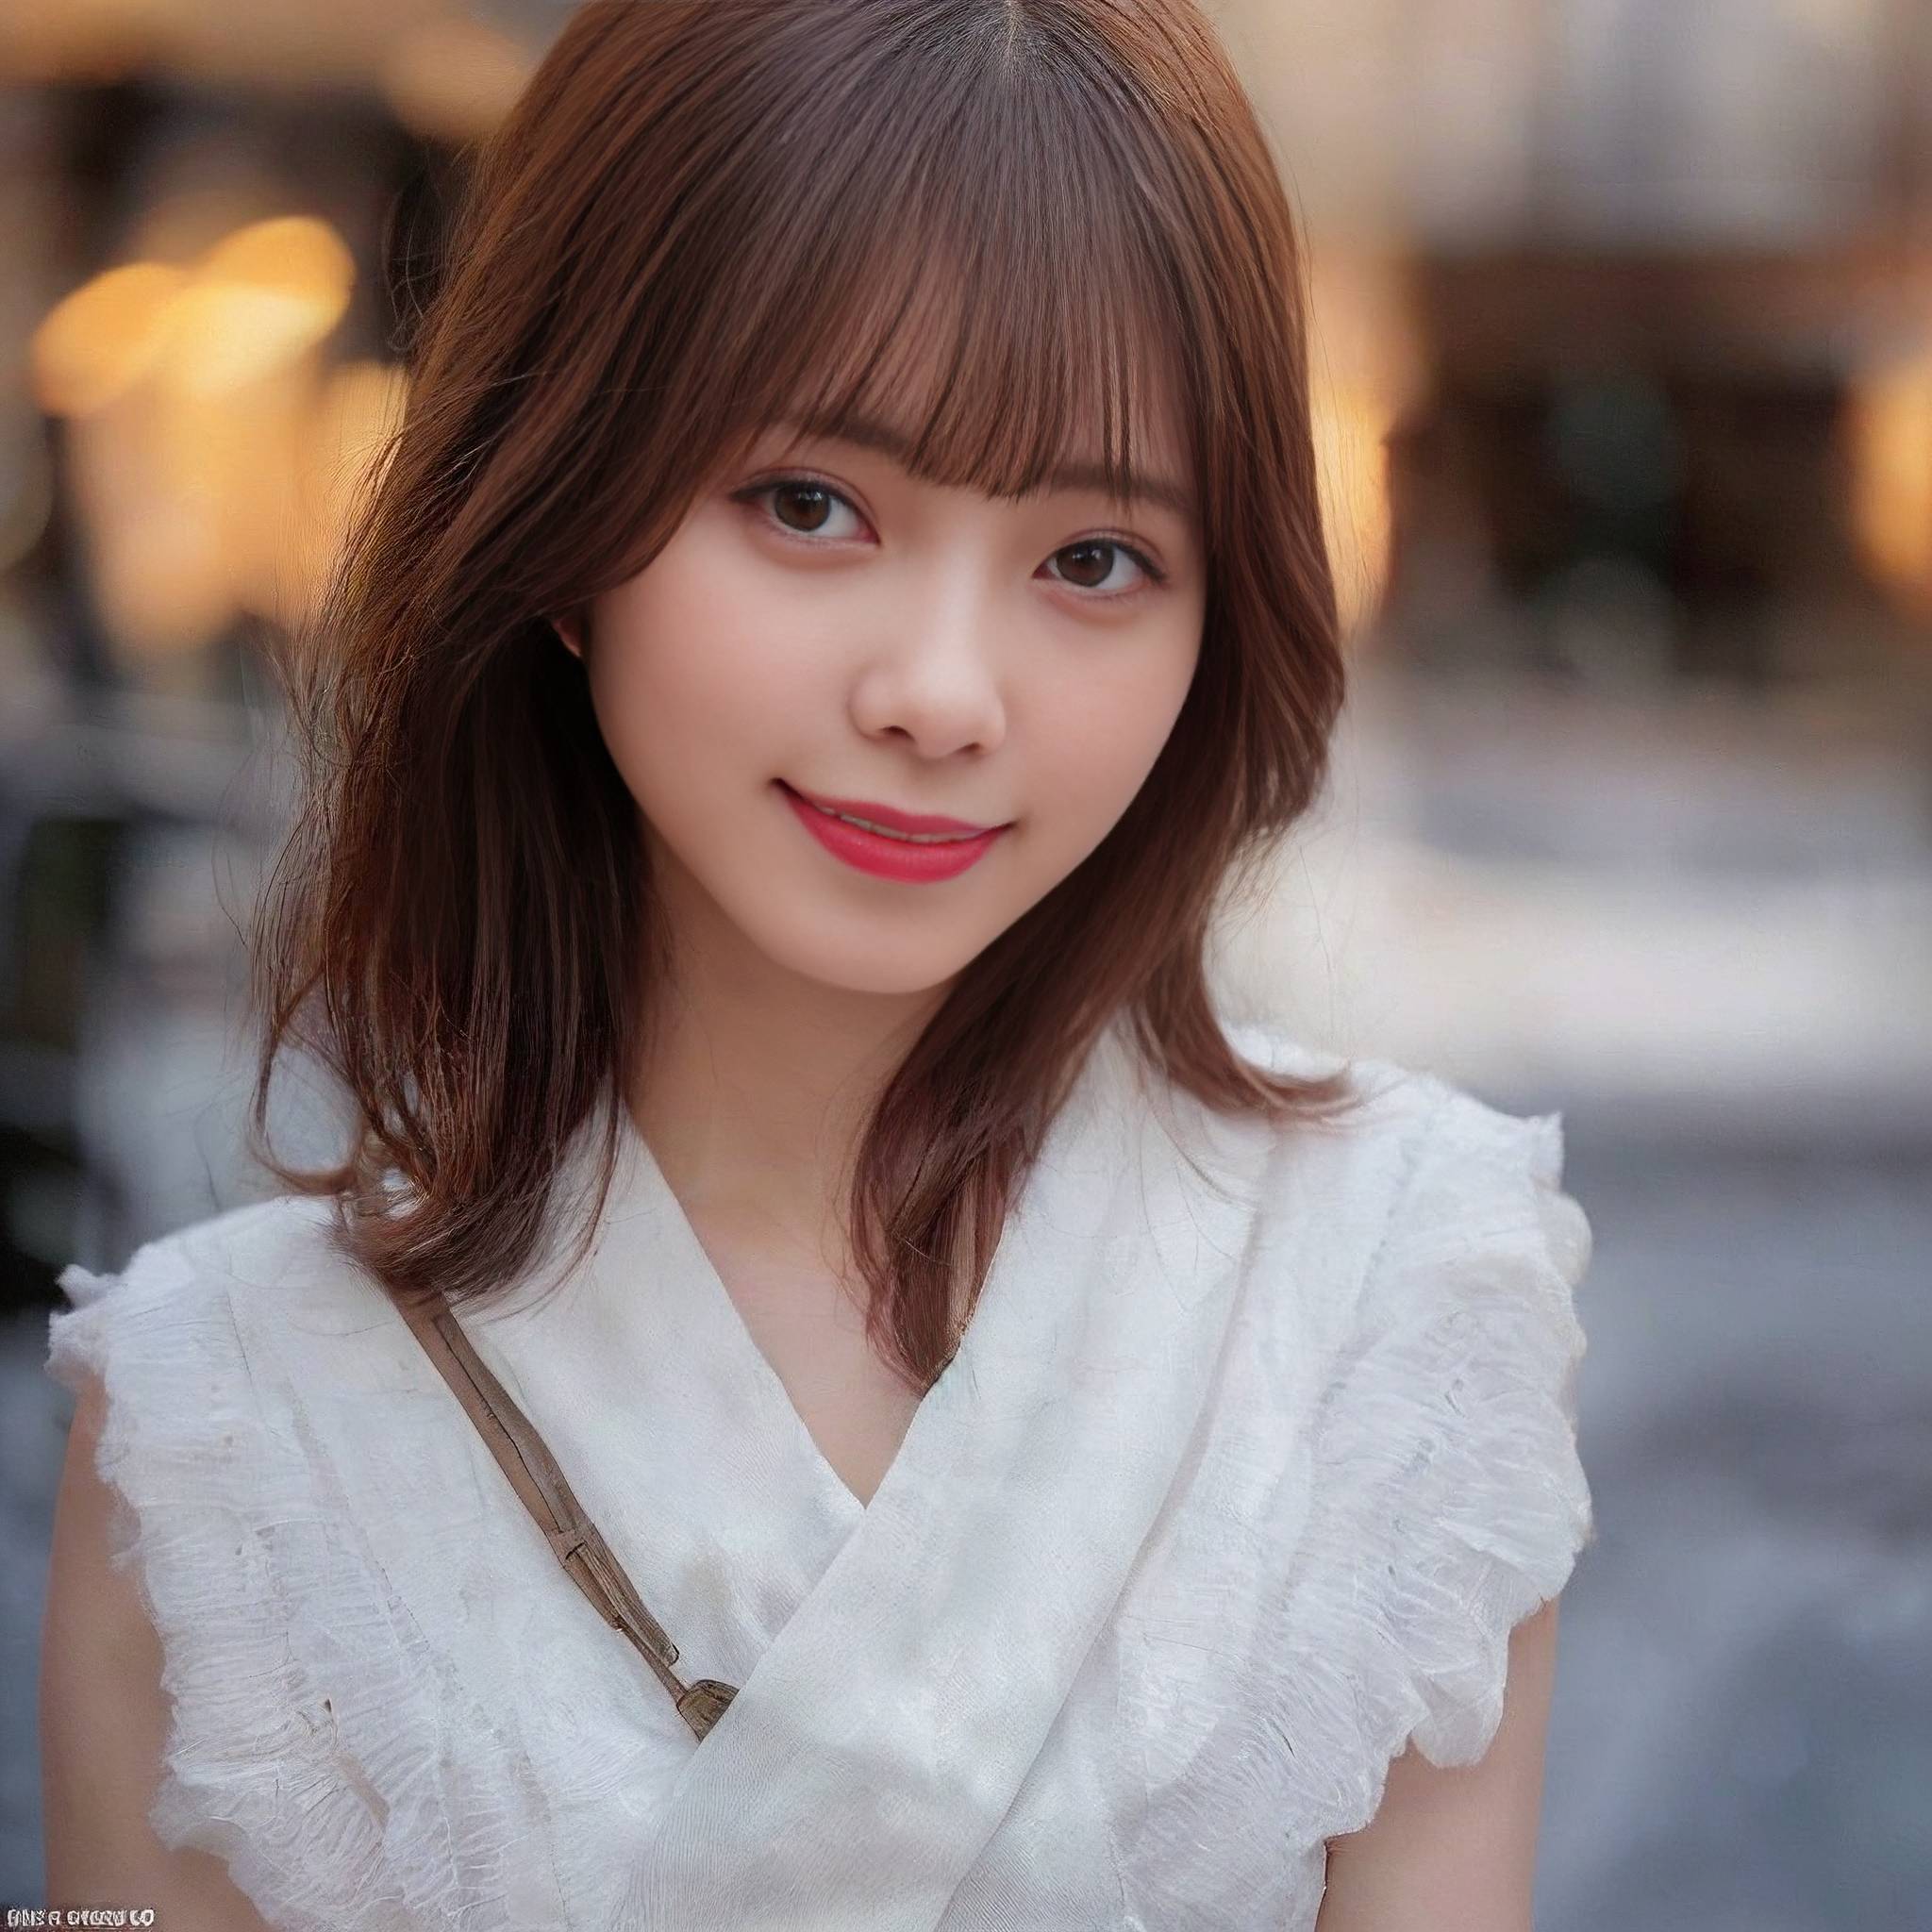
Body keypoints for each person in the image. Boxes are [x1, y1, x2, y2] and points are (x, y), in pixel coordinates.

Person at [38, 2, 1596, 1927]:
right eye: (808, 505)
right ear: (554, 508)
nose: (939, 694)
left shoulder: (1396, 1297)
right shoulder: (214, 1415)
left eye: (1093, 557)